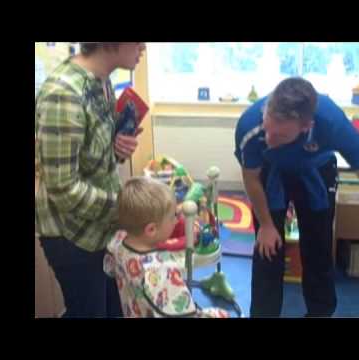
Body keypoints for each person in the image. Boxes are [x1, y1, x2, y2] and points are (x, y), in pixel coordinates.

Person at [234, 77, 359, 317]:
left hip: (316, 171)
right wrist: (266, 225)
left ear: (305, 127)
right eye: (268, 129)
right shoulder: (251, 126)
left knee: (318, 250)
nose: (269, 139)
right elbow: (251, 179)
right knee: (267, 251)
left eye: (279, 136)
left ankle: (320, 313)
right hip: (271, 173)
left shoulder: (331, 122)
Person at [35, 42, 146, 317]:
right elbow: (64, 188)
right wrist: (127, 208)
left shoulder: (102, 81)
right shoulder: (63, 94)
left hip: (100, 228)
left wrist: (116, 148)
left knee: (114, 307)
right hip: (72, 237)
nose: (144, 46)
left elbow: (97, 157)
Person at [103, 176, 229, 318]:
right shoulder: (160, 269)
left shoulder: (117, 242)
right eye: (173, 216)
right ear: (151, 230)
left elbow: (109, 269)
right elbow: (182, 313)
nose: (177, 220)